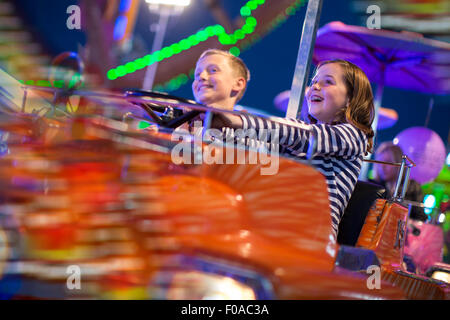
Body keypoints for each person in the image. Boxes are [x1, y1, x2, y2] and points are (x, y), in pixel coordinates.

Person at [210, 59, 375, 239]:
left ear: (350, 98)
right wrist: (214, 129)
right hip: (272, 224)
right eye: (313, 82)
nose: (315, 87)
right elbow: (254, 145)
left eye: (327, 82)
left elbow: (305, 136)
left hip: (311, 234)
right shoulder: (296, 134)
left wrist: (237, 120)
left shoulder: (353, 136)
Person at [372, 141, 427, 221]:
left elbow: (420, 218)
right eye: (380, 162)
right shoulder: (373, 186)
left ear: (399, 163)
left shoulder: (413, 187)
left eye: (388, 162)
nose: (382, 167)